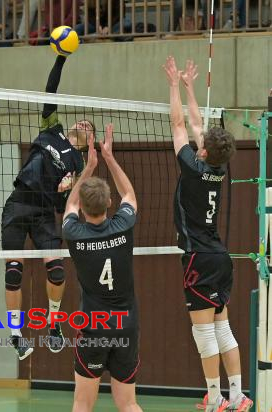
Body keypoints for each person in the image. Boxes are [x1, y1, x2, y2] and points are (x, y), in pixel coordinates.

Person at [163, 56, 253, 412]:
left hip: (200, 258)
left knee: (204, 335)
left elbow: (178, 125)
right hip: (220, 257)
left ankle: (215, 399)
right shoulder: (218, 165)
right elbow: (197, 125)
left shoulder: (192, 167)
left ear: (202, 150)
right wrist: (189, 87)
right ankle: (237, 396)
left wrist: (173, 84)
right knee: (222, 330)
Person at [2, 54, 92, 360]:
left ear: (89, 141)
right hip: (17, 204)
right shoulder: (52, 129)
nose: (83, 123)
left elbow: (67, 204)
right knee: (13, 274)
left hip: (42, 213)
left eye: (88, 127)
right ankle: (15, 336)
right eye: (82, 120)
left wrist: (69, 188)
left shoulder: (78, 164)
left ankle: (54, 326)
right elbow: (50, 91)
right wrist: (60, 58)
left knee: (56, 272)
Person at [62, 125, 142, 412]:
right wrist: (107, 157)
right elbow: (129, 193)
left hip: (94, 327)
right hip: (126, 325)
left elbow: (70, 203)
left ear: (83, 208)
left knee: (82, 403)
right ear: (110, 203)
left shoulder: (74, 234)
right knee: (129, 403)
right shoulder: (123, 225)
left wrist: (88, 167)